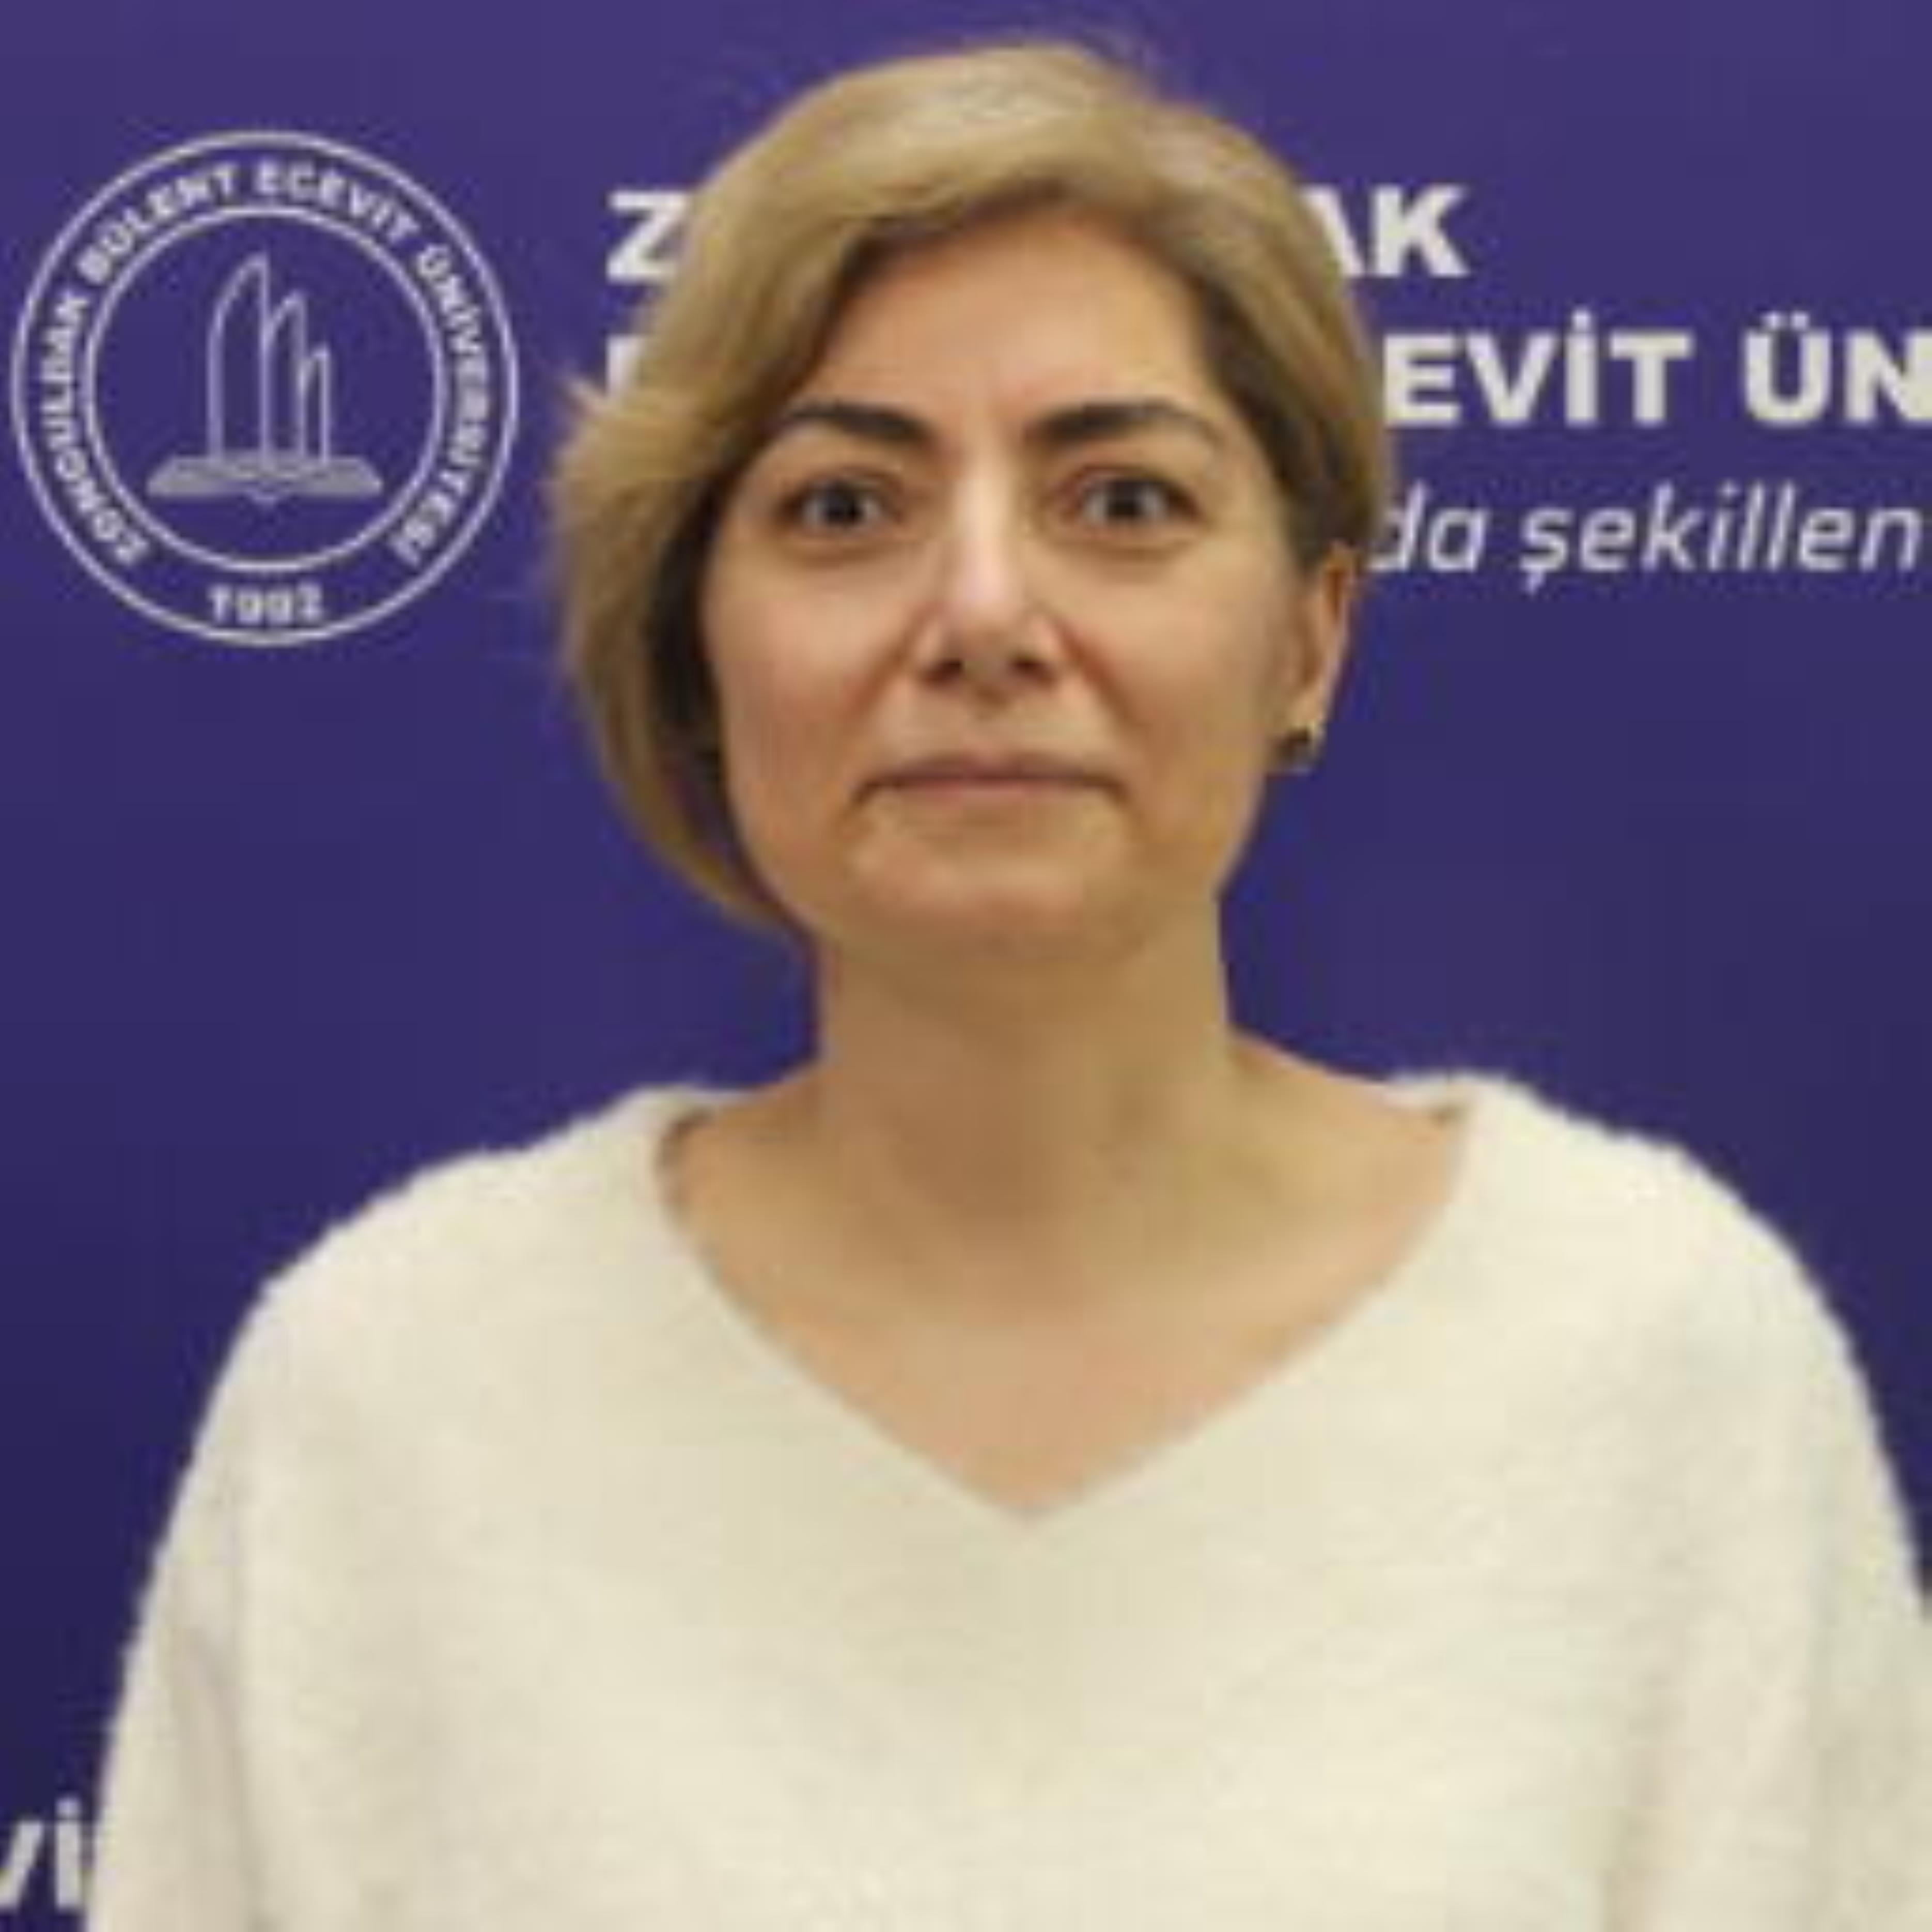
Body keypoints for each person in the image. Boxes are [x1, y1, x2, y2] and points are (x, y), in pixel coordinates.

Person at [88, 36, 1928, 1930]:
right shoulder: (392, 1398)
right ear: (698, 645)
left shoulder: (1655, 1359)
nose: (981, 614)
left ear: (1308, 638)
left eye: (1121, 502)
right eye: (843, 508)